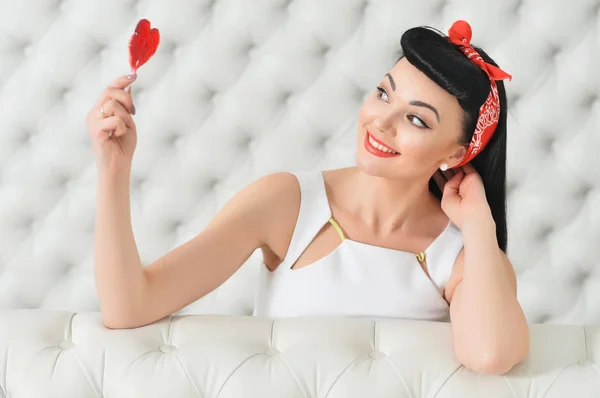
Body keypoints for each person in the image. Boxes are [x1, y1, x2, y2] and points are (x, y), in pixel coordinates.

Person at [86, 20, 529, 374]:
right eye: (383, 94)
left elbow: (490, 355)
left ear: (456, 152)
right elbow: (130, 306)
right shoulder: (287, 203)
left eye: (416, 120)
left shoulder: (464, 254)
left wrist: (479, 225)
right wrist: (113, 169)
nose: (381, 122)